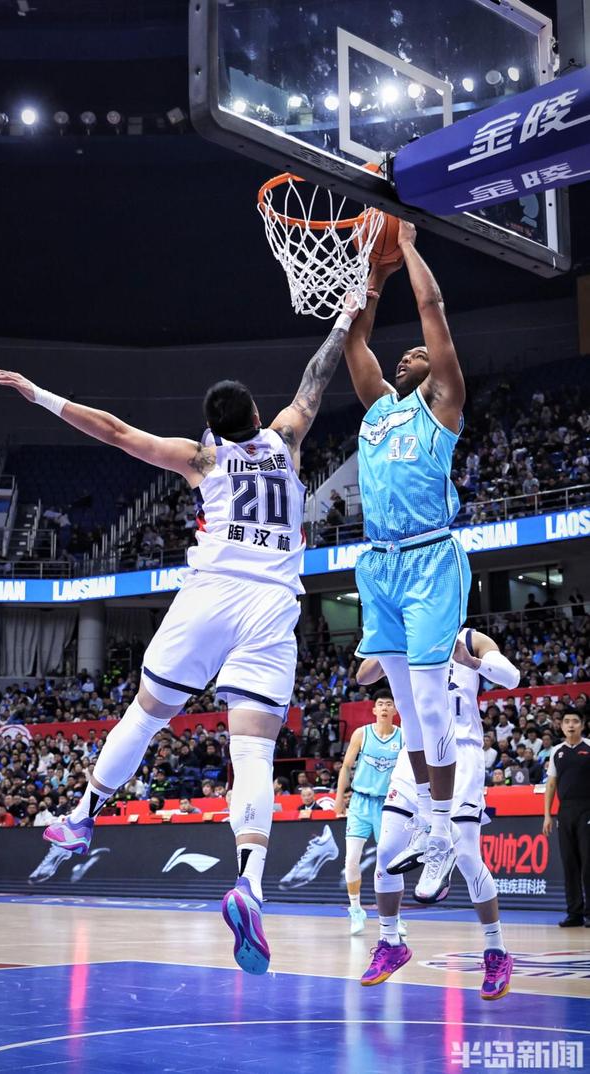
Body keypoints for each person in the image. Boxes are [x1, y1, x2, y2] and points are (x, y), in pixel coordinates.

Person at [0, 294, 359, 976]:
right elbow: (317, 376)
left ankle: (83, 815)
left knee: (147, 713)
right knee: (253, 752)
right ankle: (249, 882)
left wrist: (36, 393)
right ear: (256, 415)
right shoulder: (287, 438)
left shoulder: (202, 459)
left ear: (213, 427)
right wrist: (347, 314)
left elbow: (114, 431)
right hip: (273, 605)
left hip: (210, 596)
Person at [344, 221, 471, 902]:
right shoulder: (378, 412)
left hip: (430, 559)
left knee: (426, 699)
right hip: (379, 567)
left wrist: (410, 246)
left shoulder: (442, 406)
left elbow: (432, 310)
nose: (407, 356)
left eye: (417, 354)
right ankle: (427, 818)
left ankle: (444, 832)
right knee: (411, 710)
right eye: (404, 355)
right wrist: (374, 272)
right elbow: (355, 341)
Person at [358, 627, 519, 1000]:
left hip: (461, 751)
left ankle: (496, 950)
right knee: (387, 852)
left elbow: (511, 678)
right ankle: (390, 941)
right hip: (415, 752)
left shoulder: (469, 638)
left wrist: (471, 661)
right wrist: (391, 638)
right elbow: (363, 676)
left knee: (467, 857)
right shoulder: (406, 632)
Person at [334, 689, 403, 935]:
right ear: (374, 709)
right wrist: (339, 798)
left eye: (389, 704)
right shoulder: (361, 734)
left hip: (388, 804)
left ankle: (394, 916)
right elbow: (346, 767)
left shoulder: (403, 737)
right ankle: (356, 910)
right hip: (360, 802)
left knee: (390, 862)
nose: (384, 707)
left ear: (395, 710)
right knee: (351, 859)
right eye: (380, 704)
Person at [543, 712, 590, 927]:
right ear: (561, 726)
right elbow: (551, 784)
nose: (571, 725)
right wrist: (547, 815)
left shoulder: (588, 747)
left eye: (575, 722)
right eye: (567, 722)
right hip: (565, 811)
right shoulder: (556, 751)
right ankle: (574, 913)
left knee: (588, 863)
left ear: (582, 725)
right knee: (569, 863)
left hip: (587, 809)